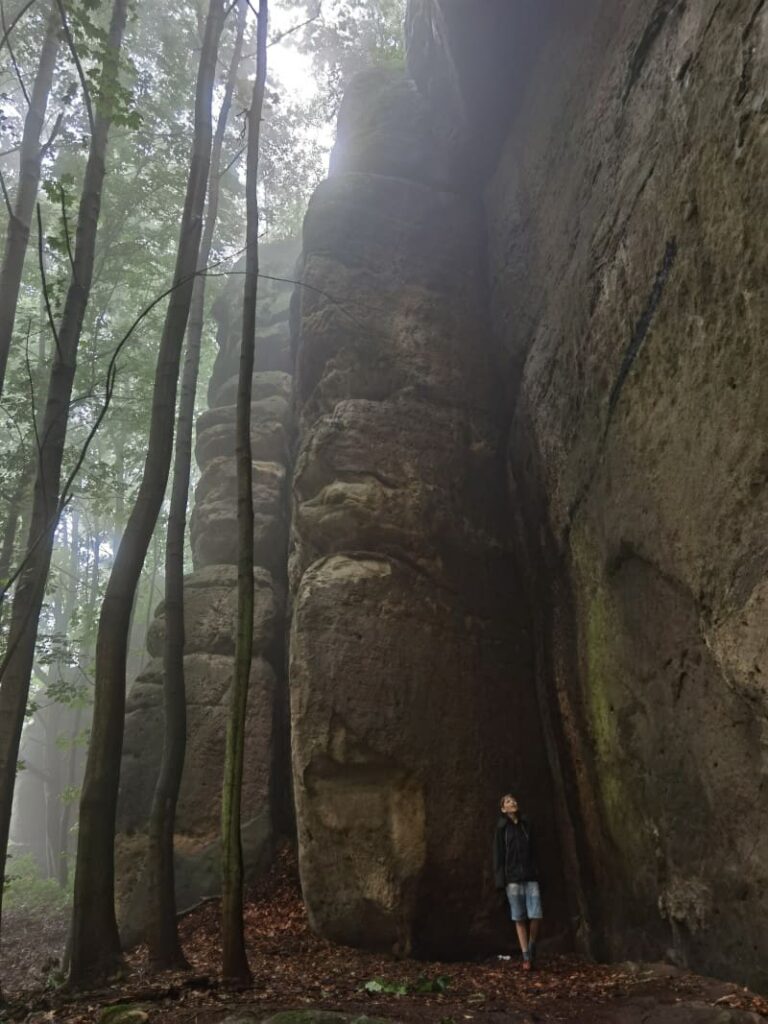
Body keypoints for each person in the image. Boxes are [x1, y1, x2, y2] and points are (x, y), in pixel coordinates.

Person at [493, 793, 543, 971]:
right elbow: (498, 855)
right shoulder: (501, 829)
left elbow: (535, 849)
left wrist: (537, 871)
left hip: (530, 876)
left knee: (536, 915)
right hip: (512, 879)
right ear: (503, 809)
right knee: (519, 917)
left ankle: (532, 944)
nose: (512, 803)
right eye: (507, 801)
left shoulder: (526, 825)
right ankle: (526, 956)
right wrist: (501, 881)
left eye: (513, 800)